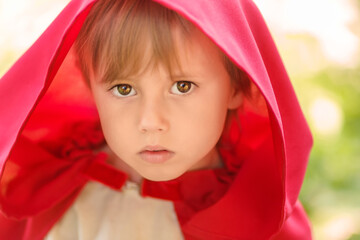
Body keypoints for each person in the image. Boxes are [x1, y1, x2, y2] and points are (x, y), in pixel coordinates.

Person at [0, 0, 313, 239]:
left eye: (182, 86)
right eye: (124, 89)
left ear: (237, 85)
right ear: (90, 84)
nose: (150, 121)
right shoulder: (46, 187)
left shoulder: (260, 214)